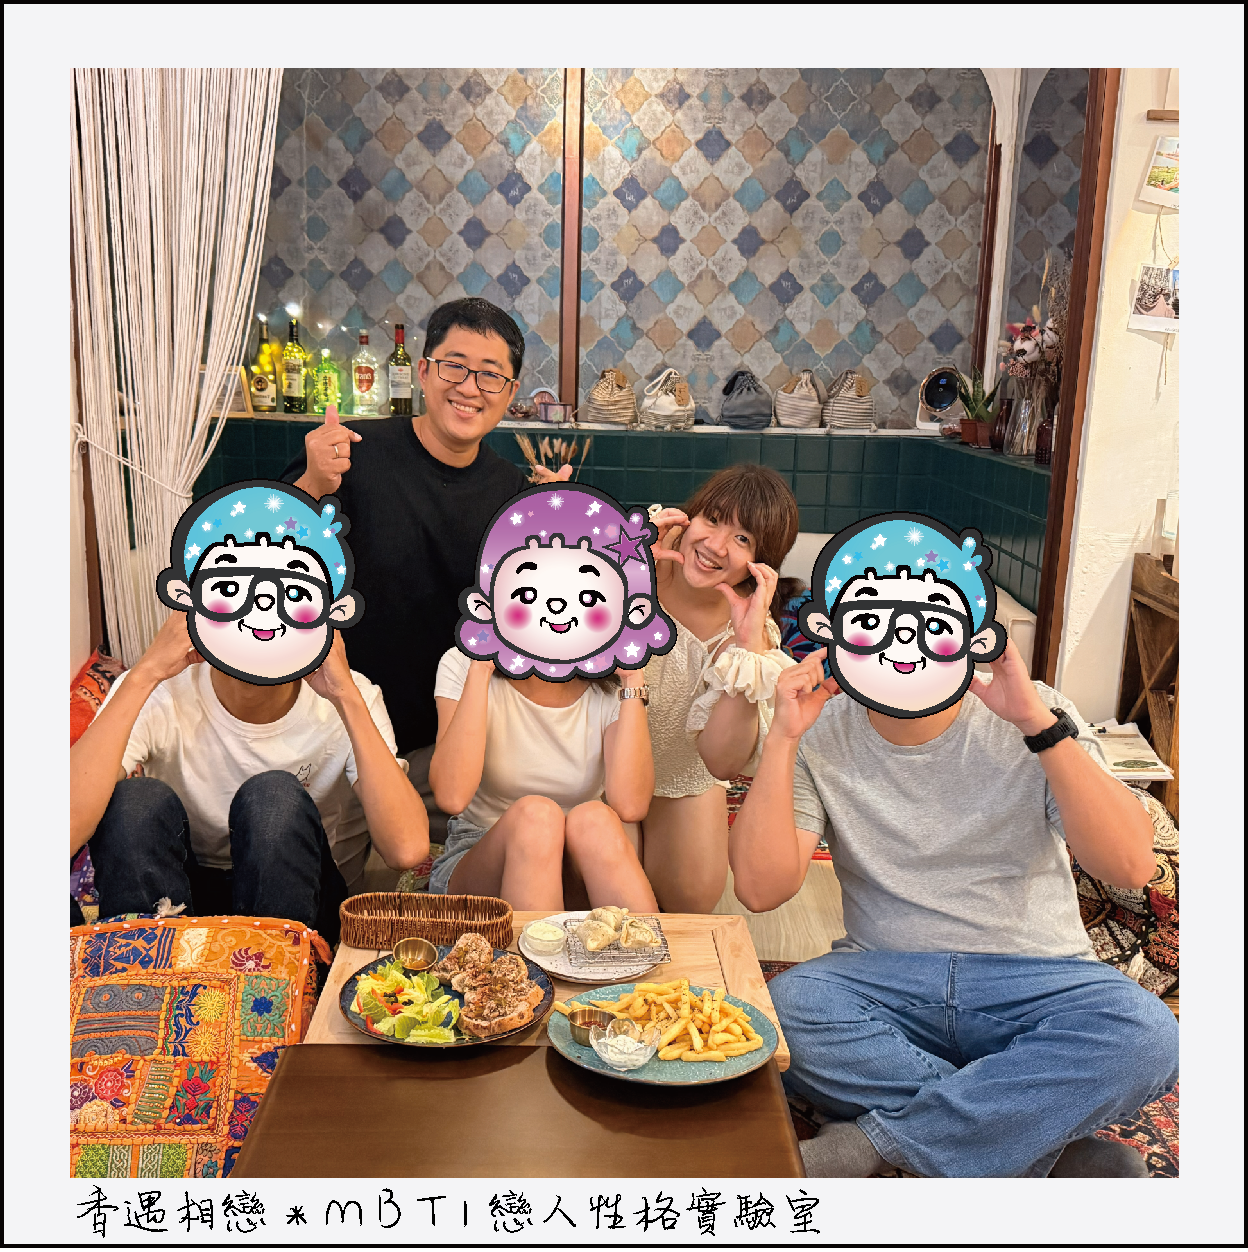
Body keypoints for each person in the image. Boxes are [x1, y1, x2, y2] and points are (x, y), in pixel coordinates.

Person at [730, 518, 1179, 1178]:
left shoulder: (1036, 710)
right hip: (883, 977)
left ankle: (876, 1145)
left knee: (1146, 1035)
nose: (902, 644)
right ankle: (1041, 1146)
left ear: (975, 633)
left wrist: (1036, 724)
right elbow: (760, 888)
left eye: (931, 622)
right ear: (830, 630)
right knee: (787, 1012)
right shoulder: (819, 726)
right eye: (871, 621)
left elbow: (1131, 866)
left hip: (1039, 976)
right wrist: (782, 738)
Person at [284, 297, 538, 843]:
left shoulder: (512, 494)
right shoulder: (353, 454)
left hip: (449, 743)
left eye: (491, 375)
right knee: (334, 887)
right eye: (454, 366)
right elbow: (265, 552)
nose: (470, 387)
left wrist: (559, 518)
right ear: (423, 371)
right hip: (342, 734)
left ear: (510, 392)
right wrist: (311, 483)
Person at [70, 612, 428, 943]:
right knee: (134, 800)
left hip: (300, 897)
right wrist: (145, 673)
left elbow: (406, 850)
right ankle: (143, 974)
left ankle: (282, 979)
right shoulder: (161, 689)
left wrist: (345, 696)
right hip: (185, 896)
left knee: (273, 796)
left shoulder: (348, 695)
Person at [426, 487, 665, 912]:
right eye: (531, 592)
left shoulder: (611, 683)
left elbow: (630, 805)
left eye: (586, 597)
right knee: (538, 817)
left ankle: (648, 955)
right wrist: (482, 666)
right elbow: (451, 796)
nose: (557, 608)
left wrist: (633, 677)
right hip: (479, 854)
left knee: (595, 817)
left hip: (577, 858)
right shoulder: (462, 664)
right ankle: (533, 958)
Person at [640, 464, 802, 912]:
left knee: (691, 902)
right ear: (690, 516)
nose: (715, 545)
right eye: (711, 519)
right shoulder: (639, 554)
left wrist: (748, 648)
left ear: (761, 561)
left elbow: (724, 762)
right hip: (599, 765)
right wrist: (627, 574)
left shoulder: (752, 633)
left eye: (742, 539)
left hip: (683, 774)